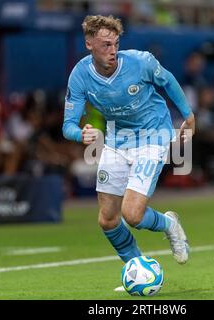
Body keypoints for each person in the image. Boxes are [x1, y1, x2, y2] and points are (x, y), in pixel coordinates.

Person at [62, 15, 195, 275]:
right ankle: (138, 269)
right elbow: (68, 125)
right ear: (89, 44)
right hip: (116, 139)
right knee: (108, 219)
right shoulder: (80, 76)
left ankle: (169, 224)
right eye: (105, 45)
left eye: (115, 44)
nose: (113, 51)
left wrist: (188, 116)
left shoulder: (140, 62)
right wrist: (81, 134)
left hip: (153, 135)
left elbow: (167, 80)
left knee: (132, 215)